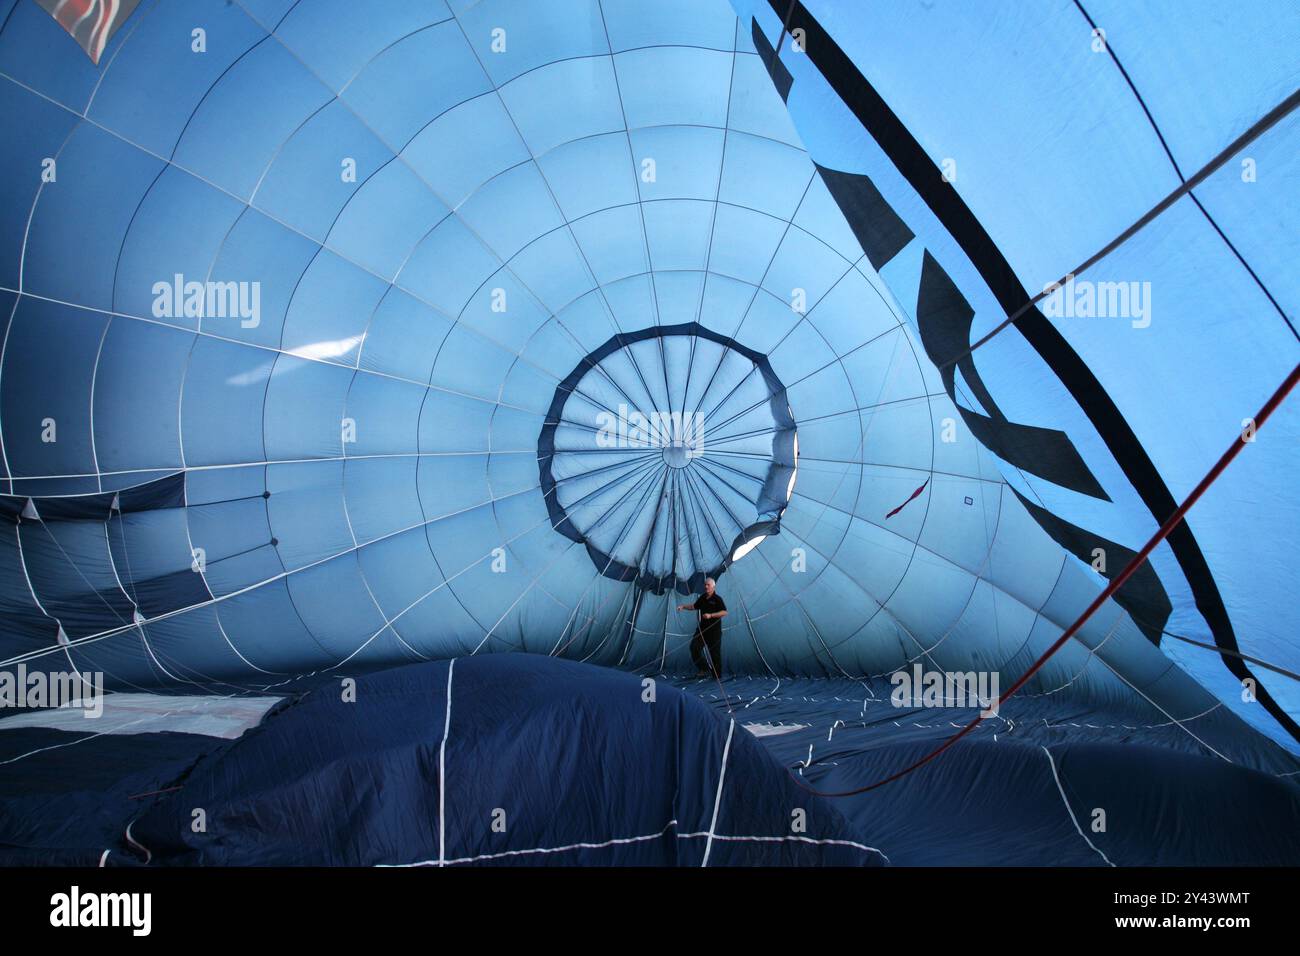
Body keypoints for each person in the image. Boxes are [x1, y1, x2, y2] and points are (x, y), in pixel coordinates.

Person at [677, 577, 728, 679]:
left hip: (714, 632)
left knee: (715, 654)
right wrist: (683, 607)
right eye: (705, 585)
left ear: (713, 586)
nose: (706, 586)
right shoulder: (703, 597)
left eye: (708, 585)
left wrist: (711, 615)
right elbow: (694, 606)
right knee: (694, 647)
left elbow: (724, 612)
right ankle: (704, 668)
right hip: (702, 630)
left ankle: (717, 676)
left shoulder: (717, 599)